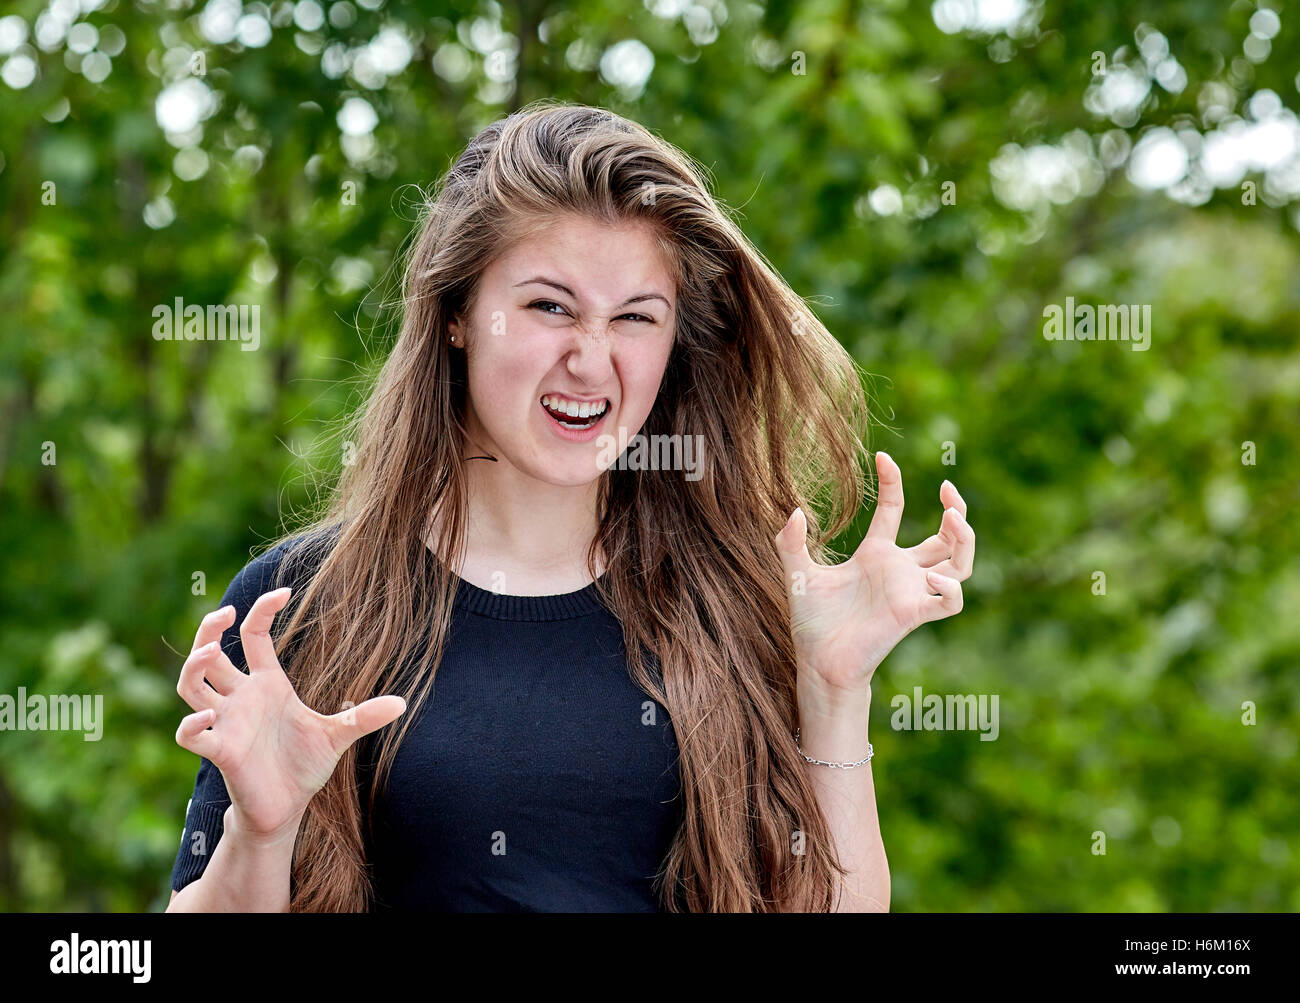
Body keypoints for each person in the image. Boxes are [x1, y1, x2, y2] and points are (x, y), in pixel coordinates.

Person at [165, 101, 975, 913]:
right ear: (456, 315)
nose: (591, 360)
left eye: (634, 318)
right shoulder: (299, 604)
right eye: (550, 306)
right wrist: (261, 834)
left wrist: (833, 690)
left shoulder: (741, 602)